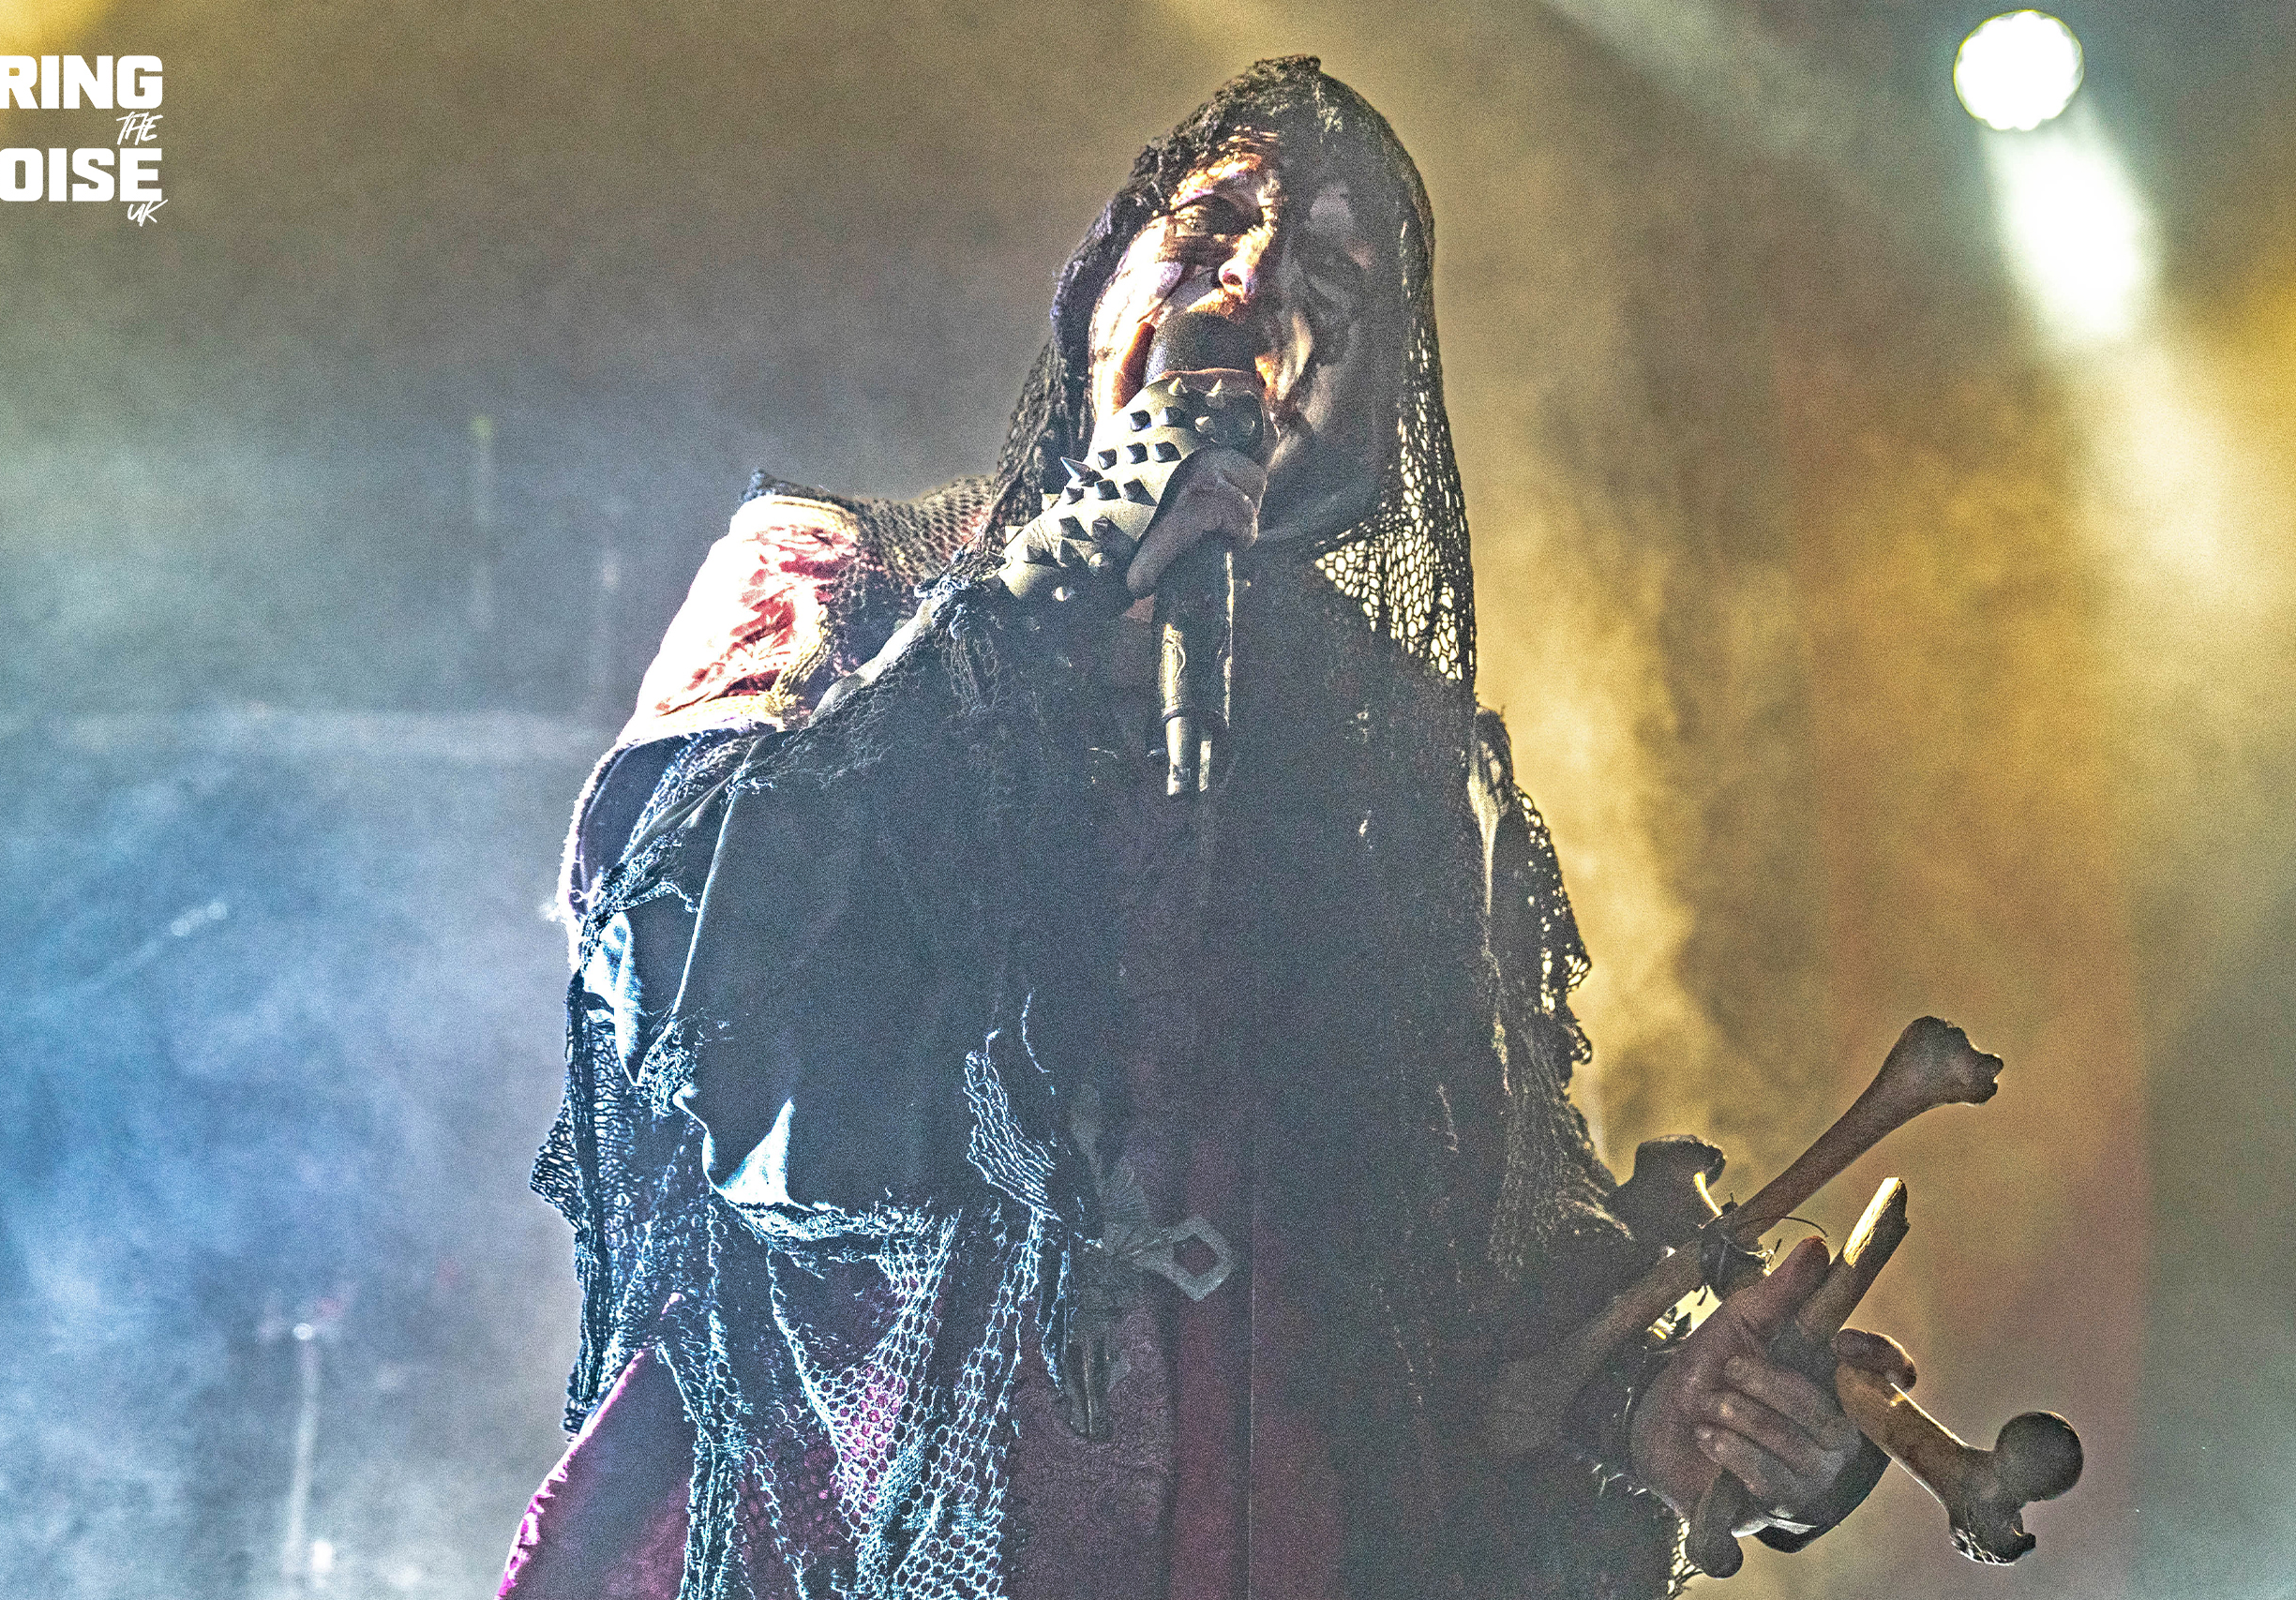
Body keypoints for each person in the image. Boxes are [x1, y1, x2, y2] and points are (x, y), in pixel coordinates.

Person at [499, 57, 1909, 1600]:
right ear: (1100, 290)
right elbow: (679, 983)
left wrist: (1658, 1399)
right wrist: (1045, 591)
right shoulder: (838, 582)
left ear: (1362, 425)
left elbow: (1458, 1243)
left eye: (1333, 283)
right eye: (1214, 224)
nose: (1254, 281)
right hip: (841, 1516)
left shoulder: (1387, 752)